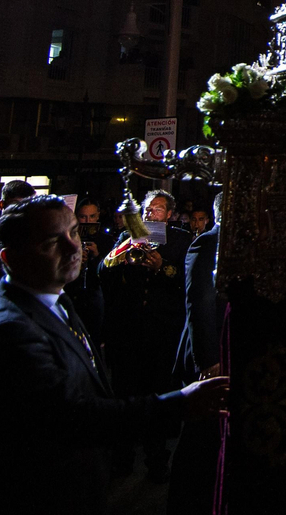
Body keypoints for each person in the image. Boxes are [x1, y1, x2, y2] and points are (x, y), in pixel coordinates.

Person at [0, 196, 226, 512]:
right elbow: (74, 419)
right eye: (51, 242)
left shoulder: (55, 299)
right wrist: (180, 404)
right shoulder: (12, 331)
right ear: (10, 258)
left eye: (74, 233)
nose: (73, 249)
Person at [99, 189, 191, 481]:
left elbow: (187, 282)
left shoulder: (181, 239)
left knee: (159, 397)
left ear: (171, 214)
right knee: (126, 394)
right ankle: (122, 458)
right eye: (148, 209)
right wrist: (125, 251)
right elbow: (104, 270)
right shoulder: (130, 236)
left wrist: (163, 267)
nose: (152, 213)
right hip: (130, 332)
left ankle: (156, 460)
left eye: (158, 209)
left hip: (162, 333)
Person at [169, 197, 223, 511]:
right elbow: (198, 303)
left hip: (222, 347)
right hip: (205, 355)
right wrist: (208, 359)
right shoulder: (205, 243)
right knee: (198, 437)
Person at [64, 197, 109, 339]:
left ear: (98, 216)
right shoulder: (68, 238)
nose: (88, 221)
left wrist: (96, 256)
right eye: (83, 217)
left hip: (94, 296)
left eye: (92, 216)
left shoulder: (105, 240)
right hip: (71, 294)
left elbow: (109, 273)